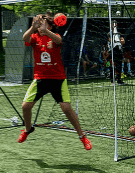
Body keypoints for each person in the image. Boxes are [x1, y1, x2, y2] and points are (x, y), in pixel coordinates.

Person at [18, 13, 91, 150]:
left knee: (66, 108)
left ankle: (82, 136)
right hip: (40, 78)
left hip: (58, 79)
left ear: (50, 25)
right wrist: (33, 28)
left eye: (42, 24)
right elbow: (25, 38)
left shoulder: (55, 36)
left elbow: (58, 41)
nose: (40, 26)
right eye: (38, 24)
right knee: (25, 106)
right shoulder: (34, 37)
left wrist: (47, 31)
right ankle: (28, 129)